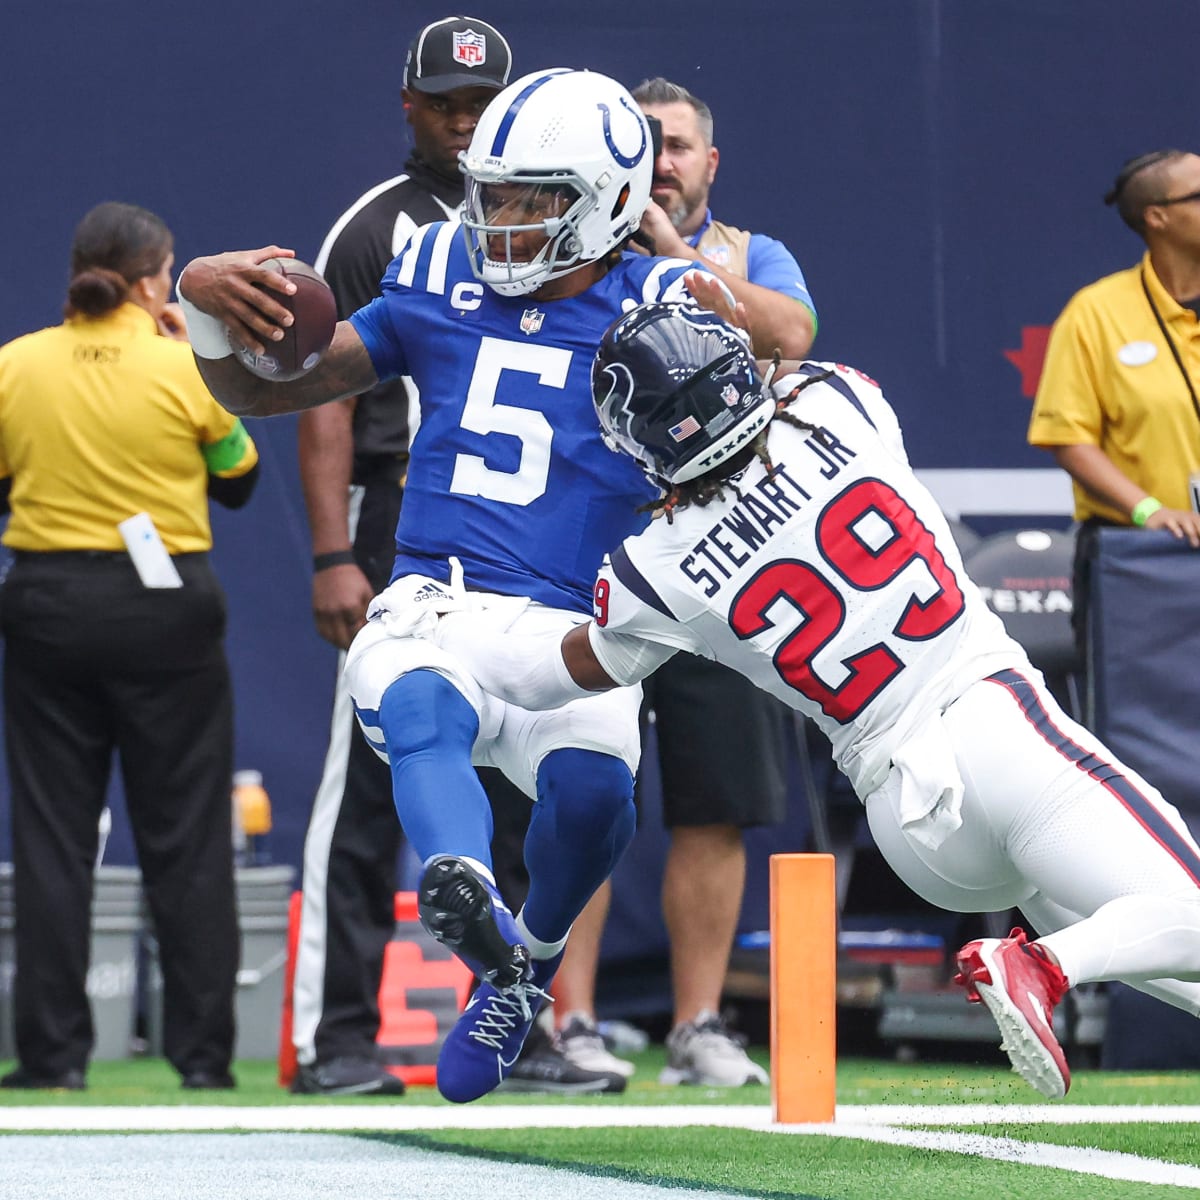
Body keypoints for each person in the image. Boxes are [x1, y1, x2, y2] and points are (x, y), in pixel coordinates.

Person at [422, 300, 1200, 1101]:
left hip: (908, 823)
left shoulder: (653, 568)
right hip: (992, 724)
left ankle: (1050, 957)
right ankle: (1040, 964)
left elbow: (549, 675)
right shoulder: (839, 401)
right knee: (1185, 907)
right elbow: (789, 348)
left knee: (1162, 937)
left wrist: (442, 637)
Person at [174, 68, 729, 1104]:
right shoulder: (436, 265)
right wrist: (203, 308)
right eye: (495, 195)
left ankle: (525, 967)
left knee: (597, 794)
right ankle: (459, 878)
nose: (504, 222)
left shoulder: (664, 301)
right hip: (440, 593)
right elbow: (274, 384)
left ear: (610, 200)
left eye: (535, 201)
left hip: (576, 622)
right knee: (416, 699)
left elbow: (750, 409)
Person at [289, 12, 598, 1099]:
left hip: (535, 535)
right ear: (409, 104)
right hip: (409, 527)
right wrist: (334, 549)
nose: (467, 123)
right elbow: (326, 393)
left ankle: (526, 1021)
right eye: (448, 102)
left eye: (485, 102)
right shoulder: (381, 225)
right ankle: (335, 1037)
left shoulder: (564, 202)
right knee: (371, 786)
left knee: (535, 787)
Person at [549, 77, 818, 1087]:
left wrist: (673, 249)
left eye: (680, 146)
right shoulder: (574, 253)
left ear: (712, 163)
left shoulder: (754, 255)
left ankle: (697, 1026)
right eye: (646, 144)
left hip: (714, 564)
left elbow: (789, 337)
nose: (663, 161)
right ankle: (568, 1024)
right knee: (577, 788)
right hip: (592, 560)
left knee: (713, 804)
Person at [0, 201, 260, 1091]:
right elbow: (238, 478)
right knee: (185, 835)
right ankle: (202, 1060)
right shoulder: (183, 363)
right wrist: (189, 348)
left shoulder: (15, 365)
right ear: (153, 282)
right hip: (167, 615)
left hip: (46, 607)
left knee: (50, 837)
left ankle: (51, 1059)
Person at [1029, 148, 1200, 660]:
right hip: (1143, 561)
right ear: (1158, 217)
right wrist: (1149, 511)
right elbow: (1066, 436)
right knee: (1146, 727)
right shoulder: (1097, 313)